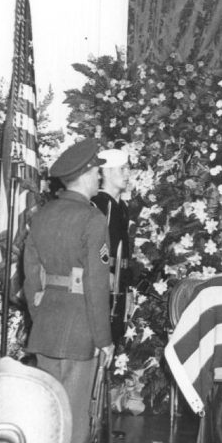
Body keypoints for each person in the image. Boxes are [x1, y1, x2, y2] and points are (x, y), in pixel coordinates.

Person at [23, 138, 113, 443]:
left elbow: (31, 279)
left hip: (46, 327)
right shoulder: (93, 219)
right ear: (86, 175)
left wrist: (43, 315)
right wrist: (103, 339)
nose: (100, 177)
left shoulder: (40, 216)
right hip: (81, 331)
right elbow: (97, 285)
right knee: (74, 426)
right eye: (97, 172)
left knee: (48, 418)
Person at [91, 147, 134, 348]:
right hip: (106, 282)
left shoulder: (121, 207)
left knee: (116, 336)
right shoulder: (100, 203)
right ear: (106, 171)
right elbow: (96, 245)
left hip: (120, 282)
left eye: (128, 169)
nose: (128, 174)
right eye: (122, 169)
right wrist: (105, 273)